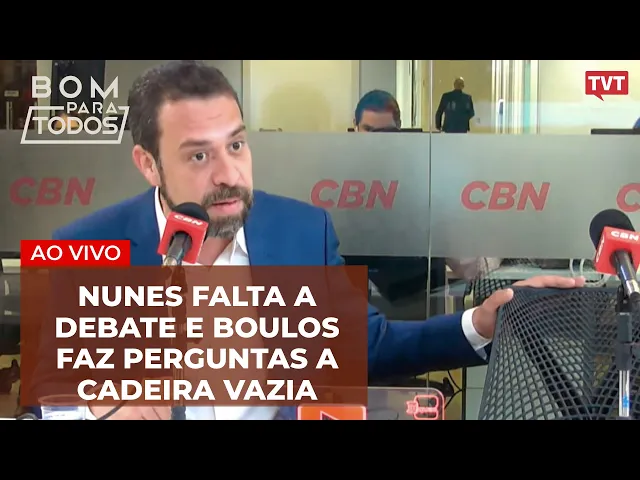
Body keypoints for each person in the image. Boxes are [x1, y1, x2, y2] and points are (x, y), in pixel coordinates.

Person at [47, 61, 583, 420]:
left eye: (236, 145)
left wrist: (480, 323)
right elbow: (50, 400)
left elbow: (365, 346)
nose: (228, 174)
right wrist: (96, 408)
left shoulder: (302, 231)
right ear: (148, 164)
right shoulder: (82, 247)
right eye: (199, 155)